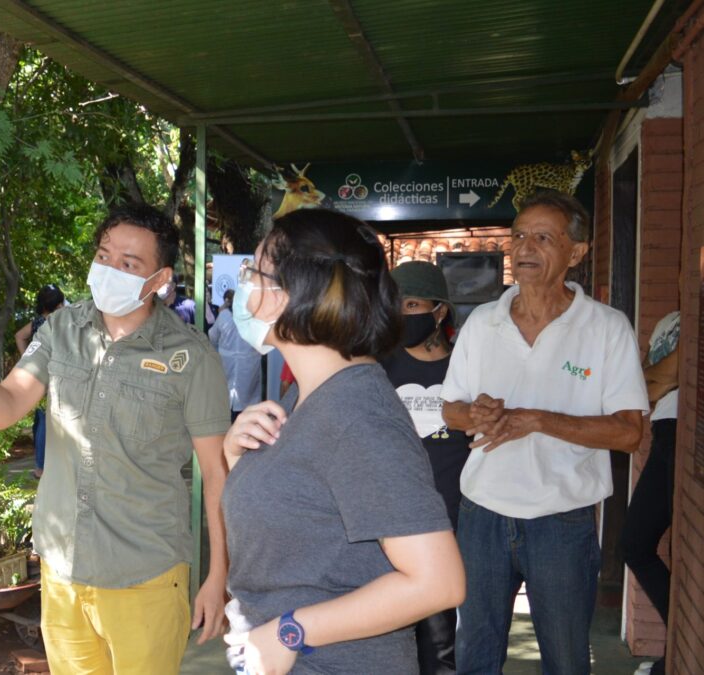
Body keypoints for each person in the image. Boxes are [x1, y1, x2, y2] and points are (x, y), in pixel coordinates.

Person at [0, 204, 232, 675]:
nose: (109, 269)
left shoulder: (191, 357)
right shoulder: (61, 330)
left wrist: (218, 572)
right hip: (62, 571)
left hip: (146, 575)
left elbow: (217, 474)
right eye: (104, 255)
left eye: (128, 263)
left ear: (158, 279)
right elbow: (5, 408)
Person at [221, 208, 465, 675]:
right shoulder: (306, 393)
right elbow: (304, 520)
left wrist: (288, 631)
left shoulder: (358, 417)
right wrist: (239, 459)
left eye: (255, 271)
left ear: (293, 295)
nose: (245, 283)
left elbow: (439, 583)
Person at [441, 190, 648, 675]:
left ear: (576, 253)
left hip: (561, 521)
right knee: (474, 656)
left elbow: (629, 432)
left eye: (542, 238)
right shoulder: (482, 324)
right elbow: (451, 410)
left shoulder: (606, 328)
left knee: (567, 661)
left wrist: (534, 419)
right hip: (481, 516)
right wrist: (478, 415)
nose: (524, 248)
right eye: (518, 236)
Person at [380, 261, 471, 675]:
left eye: (412, 303)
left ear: (440, 312)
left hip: (450, 529)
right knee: (388, 645)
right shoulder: (377, 367)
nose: (402, 312)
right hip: (388, 528)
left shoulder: (467, 371)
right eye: (395, 303)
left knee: (440, 648)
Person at [620, 310, 679, 675]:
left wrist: (655, 380)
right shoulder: (669, 321)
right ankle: (675, 648)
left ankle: (674, 654)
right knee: (634, 544)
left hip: (685, 431)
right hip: (664, 435)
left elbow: (656, 383)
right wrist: (654, 380)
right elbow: (639, 385)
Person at [15, 284, 66, 479]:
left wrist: (27, 358)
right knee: (49, 419)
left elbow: (19, 336)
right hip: (56, 373)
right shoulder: (61, 323)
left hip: (39, 374)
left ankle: (40, 465)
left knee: (41, 418)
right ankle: (43, 466)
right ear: (59, 304)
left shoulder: (37, 323)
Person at [209, 289, 263, 422]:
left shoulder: (224, 316)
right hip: (249, 366)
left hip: (227, 364)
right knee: (247, 402)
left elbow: (212, 336)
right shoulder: (254, 317)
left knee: (227, 402)